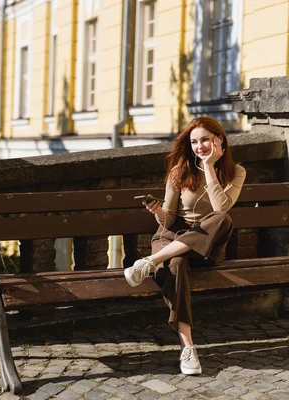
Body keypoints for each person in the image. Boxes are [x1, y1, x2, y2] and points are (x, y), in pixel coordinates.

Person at [123, 116, 246, 375]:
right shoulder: (179, 171)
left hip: (207, 245)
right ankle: (188, 347)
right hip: (170, 237)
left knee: (222, 218)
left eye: (205, 140)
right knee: (177, 262)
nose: (199, 146)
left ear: (219, 140)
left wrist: (209, 166)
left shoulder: (236, 171)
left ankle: (150, 262)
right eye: (194, 142)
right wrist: (158, 212)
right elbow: (168, 218)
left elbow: (220, 208)